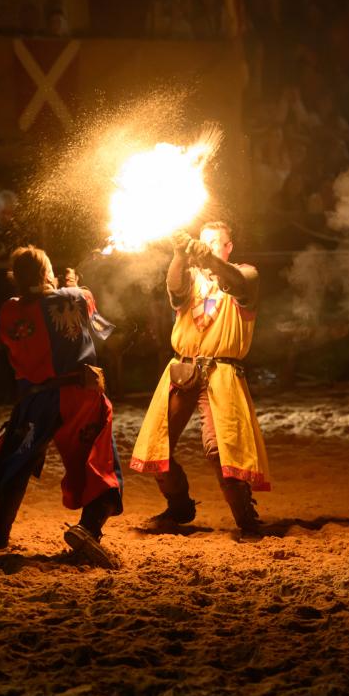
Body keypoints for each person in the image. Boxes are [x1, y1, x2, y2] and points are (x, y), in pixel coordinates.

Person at [0, 246, 122, 565]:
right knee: (101, 463)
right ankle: (88, 530)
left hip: (33, 399)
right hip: (78, 397)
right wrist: (72, 287)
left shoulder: (7, 310)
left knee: (18, 463)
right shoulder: (77, 297)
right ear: (45, 274)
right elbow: (104, 331)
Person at [130, 221, 270, 535]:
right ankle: (179, 507)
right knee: (159, 446)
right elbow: (174, 287)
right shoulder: (191, 278)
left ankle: (246, 518)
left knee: (220, 449)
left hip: (221, 371)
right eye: (205, 241)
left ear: (229, 246)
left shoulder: (246, 273)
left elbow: (235, 281)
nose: (209, 246)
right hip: (183, 368)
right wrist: (180, 254)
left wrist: (209, 259)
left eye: (217, 242)